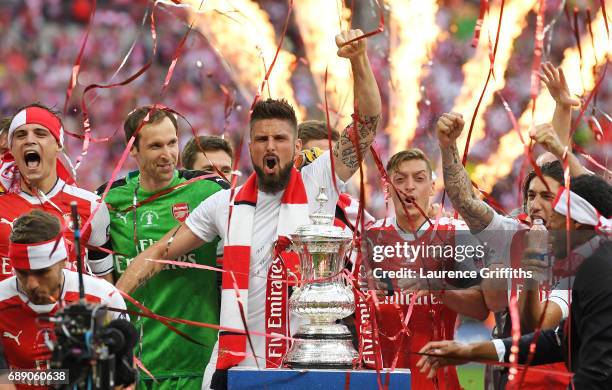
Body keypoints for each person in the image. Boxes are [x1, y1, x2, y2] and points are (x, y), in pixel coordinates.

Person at [116, 29, 381, 389]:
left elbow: (366, 125)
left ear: (297, 146)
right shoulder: (221, 205)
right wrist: (110, 306)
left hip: (302, 362)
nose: (270, 146)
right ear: (250, 146)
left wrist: (359, 59)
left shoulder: (320, 181)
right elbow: (158, 253)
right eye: (261, 139)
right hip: (233, 366)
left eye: (280, 139)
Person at [417, 174, 612, 389]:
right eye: (531, 196)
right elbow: (554, 340)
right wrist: (468, 351)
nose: (547, 223)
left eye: (555, 214)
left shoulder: (598, 270)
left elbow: (599, 373)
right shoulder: (592, 265)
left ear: (574, 223)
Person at [98, 106, 229, 389]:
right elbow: (97, 275)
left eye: (172, 143)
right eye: (155, 146)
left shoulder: (209, 192)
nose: (167, 154)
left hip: (196, 365)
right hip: (133, 367)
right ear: (133, 150)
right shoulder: (108, 201)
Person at [359, 148, 488, 389]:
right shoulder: (371, 237)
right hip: (381, 376)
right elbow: (354, 313)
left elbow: (480, 309)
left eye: (418, 179)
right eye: (400, 179)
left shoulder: (455, 234)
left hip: (437, 377)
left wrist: (437, 287)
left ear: (431, 187)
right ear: (387, 189)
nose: (409, 187)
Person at [0, 210, 127, 382]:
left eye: (41, 272)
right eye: (22, 273)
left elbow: (126, 377)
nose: (31, 284)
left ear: (63, 261)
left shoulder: (104, 298)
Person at [0, 103, 113, 282]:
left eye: (40, 133)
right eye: (21, 135)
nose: (29, 140)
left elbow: (106, 286)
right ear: (12, 149)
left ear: (58, 144)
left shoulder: (92, 206)